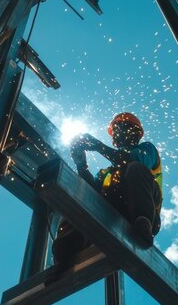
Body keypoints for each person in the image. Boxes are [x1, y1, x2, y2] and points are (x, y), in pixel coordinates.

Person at [52, 112, 163, 265]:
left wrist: (98, 146)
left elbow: (133, 160)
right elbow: (91, 193)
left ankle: (143, 223)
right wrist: (81, 165)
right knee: (83, 197)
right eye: (116, 130)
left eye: (121, 128)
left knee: (135, 168)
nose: (117, 134)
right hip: (114, 216)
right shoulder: (108, 174)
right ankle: (68, 249)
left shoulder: (147, 149)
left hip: (142, 214)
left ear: (135, 133)